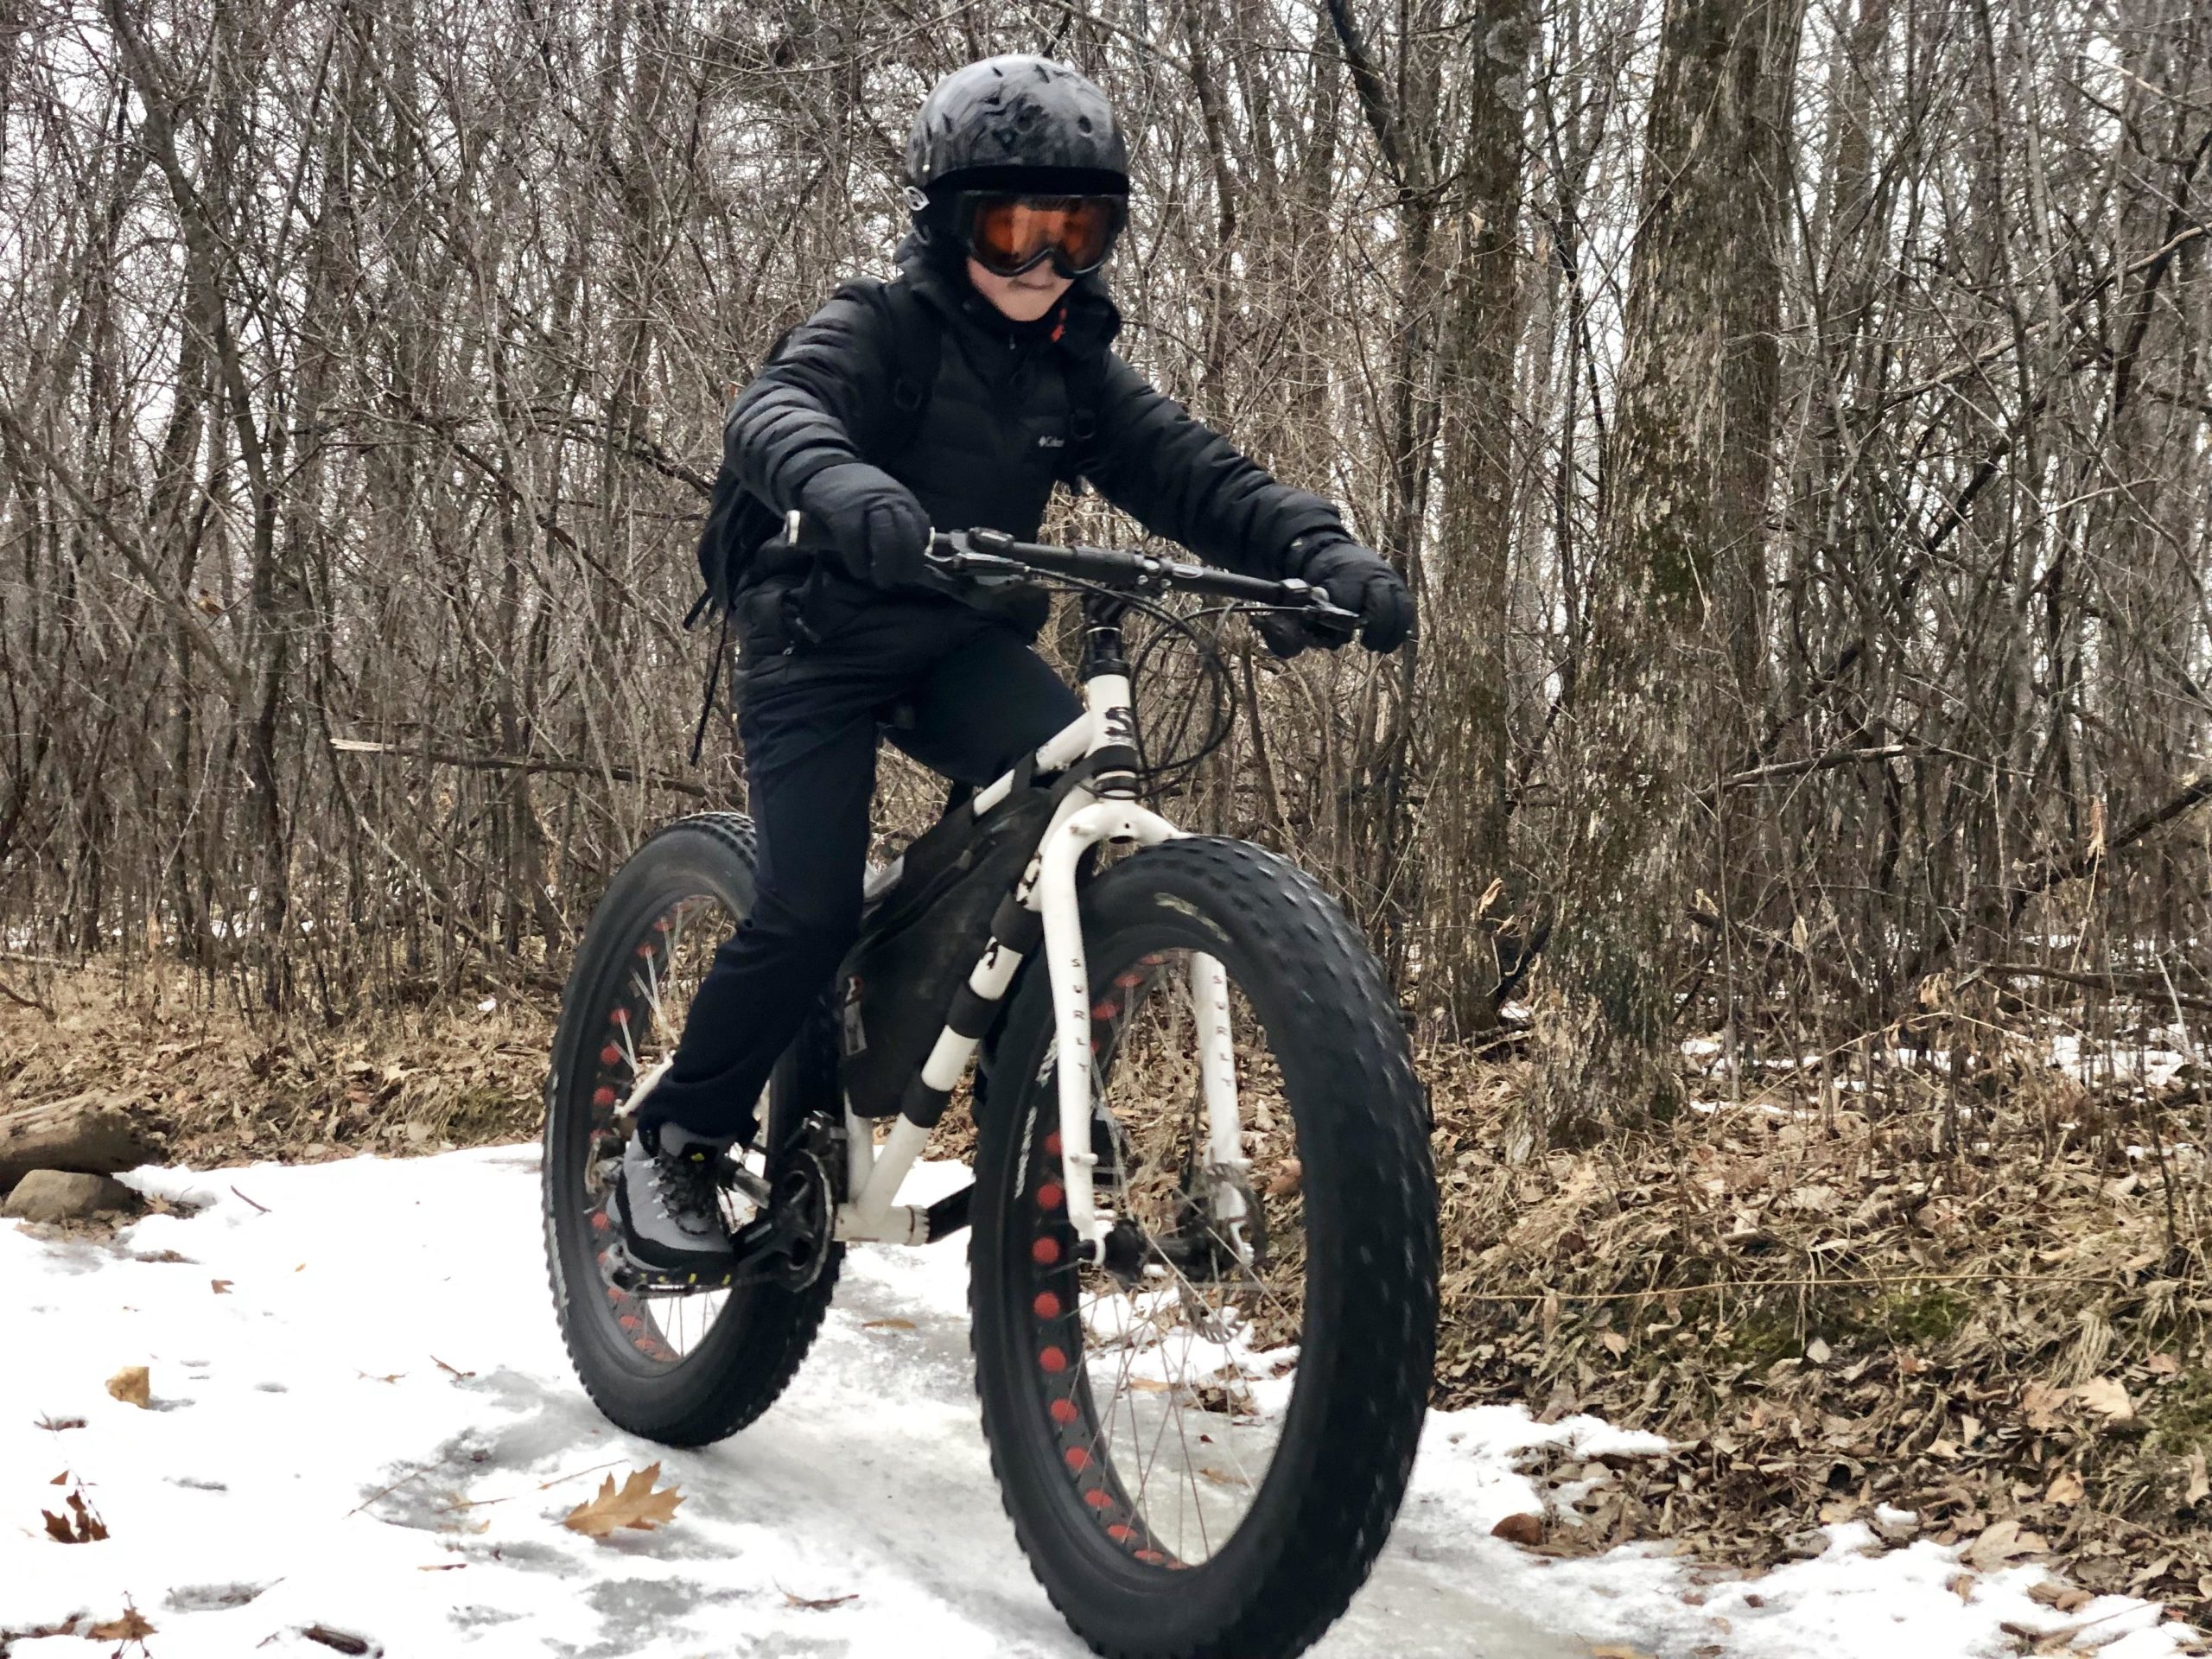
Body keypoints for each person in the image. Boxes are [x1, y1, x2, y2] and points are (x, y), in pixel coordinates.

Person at [615, 54, 1413, 1274]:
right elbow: (774, 413)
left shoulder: (1070, 372)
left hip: (955, 638)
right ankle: (673, 1138)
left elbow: (1201, 477)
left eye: (1075, 232)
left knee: (1070, 814)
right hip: (817, 641)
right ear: (948, 223)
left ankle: (1026, 1111)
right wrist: (846, 486)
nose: (1043, 265)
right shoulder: (878, 326)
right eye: (1012, 227)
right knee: (811, 905)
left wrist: (1323, 551)